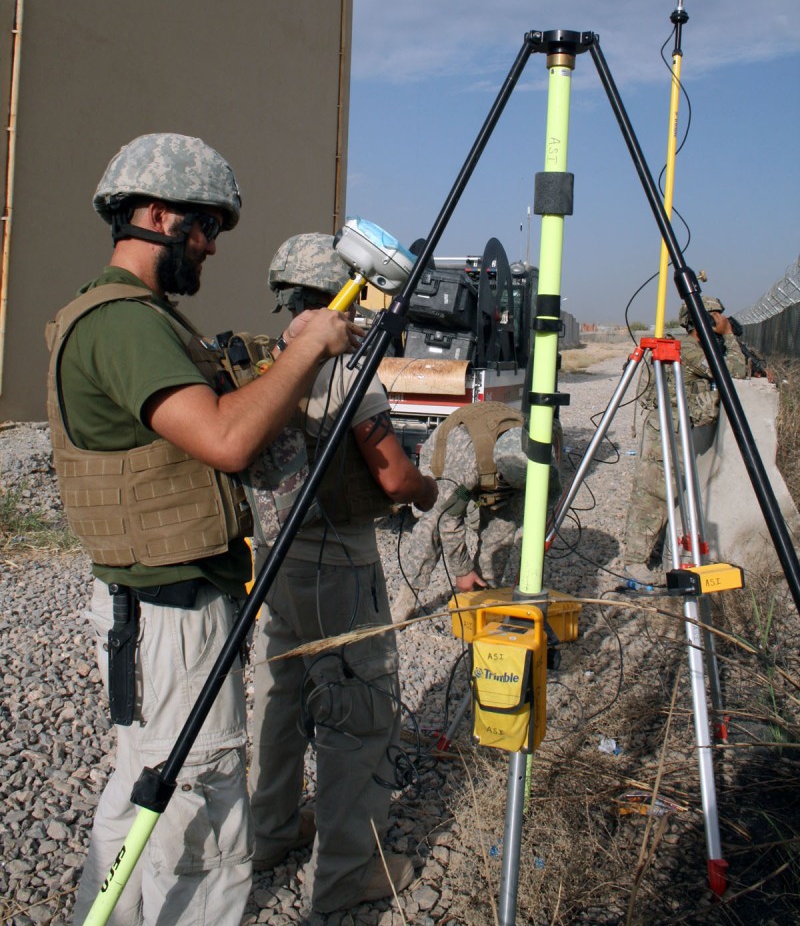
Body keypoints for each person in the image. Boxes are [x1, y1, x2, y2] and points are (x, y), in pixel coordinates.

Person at [48, 134, 358, 926]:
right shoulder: (123, 324)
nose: (212, 247)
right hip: (172, 612)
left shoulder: (138, 319)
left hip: (151, 603)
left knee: (143, 778)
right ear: (155, 214)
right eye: (205, 226)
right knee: (205, 802)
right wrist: (312, 348)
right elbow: (227, 439)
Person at [248, 234, 438, 915]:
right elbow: (391, 473)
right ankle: (349, 873)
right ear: (342, 293)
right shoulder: (339, 363)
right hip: (338, 560)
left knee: (282, 689)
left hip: (279, 557)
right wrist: (426, 490)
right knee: (357, 710)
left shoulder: (276, 354)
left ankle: (268, 833)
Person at [392, 404, 562, 623]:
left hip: (493, 471)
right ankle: (406, 598)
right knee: (432, 523)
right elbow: (449, 517)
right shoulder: (468, 463)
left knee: (503, 528)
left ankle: (484, 594)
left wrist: (535, 540)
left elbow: (551, 496)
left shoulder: (540, 457)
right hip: (448, 462)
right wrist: (461, 569)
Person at [623, 294, 748, 583]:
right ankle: (634, 561)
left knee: (671, 491)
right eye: (717, 317)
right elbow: (734, 373)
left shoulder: (699, 348)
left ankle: (651, 551)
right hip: (668, 427)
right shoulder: (689, 349)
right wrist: (729, 337)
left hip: (681, 426)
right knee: (653, 493)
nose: (722, 322)